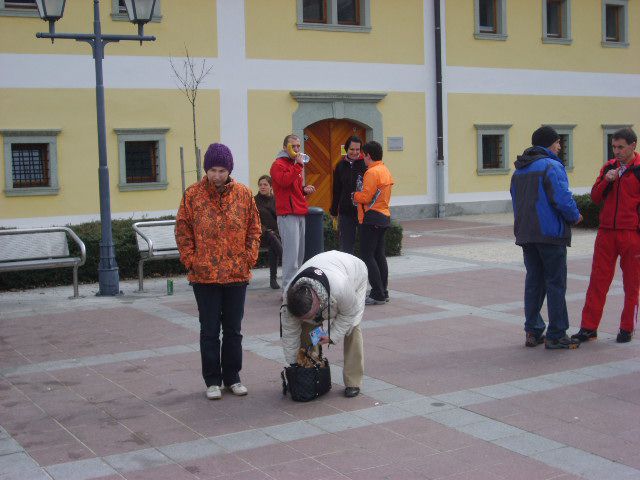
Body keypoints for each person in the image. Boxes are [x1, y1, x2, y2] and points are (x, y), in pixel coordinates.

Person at [175, 143, 261, 400]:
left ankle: (233, 377)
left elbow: (254, 229)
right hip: (205, 276)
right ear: (206, 169)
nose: (217, 175)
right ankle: (212, 380)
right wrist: (191, 260)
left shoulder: (244, 194)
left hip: (237, 274)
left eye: (222, 170)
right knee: (209, 330)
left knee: (233, 330)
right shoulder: (193, 195)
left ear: (229, 170)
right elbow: (182, 230)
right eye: (212, 169)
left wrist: (249, 258)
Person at [510, 126, 583, 350]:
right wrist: (575, 216)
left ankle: (533, 331)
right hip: (550, 234)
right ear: (549, 144)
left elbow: (515, 201)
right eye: (558, 143)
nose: (560, 147)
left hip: (526, 234)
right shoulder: (551, 166)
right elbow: (562, 198)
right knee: (555, 283)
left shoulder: (519, 170)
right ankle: (557, 333)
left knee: (534, 282)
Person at [572, 127, 640, 344]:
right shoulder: (608, 168)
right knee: (597, 281)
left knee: (632, 284)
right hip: (606, 233)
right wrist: (606, 181)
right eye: (614, 147)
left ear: (633, 146)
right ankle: (588, 327)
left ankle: (626, 328)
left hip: (632, 234)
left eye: (621, 147)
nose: (617, 151)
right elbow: (595, 197)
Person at [281, 250, 367, 398]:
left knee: (352, 329)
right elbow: (289, 333)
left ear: (317, 302)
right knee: (307, 329)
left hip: (354, 275)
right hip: (327, 274)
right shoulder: (288, 299)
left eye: (312, 314)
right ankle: (313, 371)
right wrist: (294, 366)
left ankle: (353, 381)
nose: (313, 318)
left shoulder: (341, 287)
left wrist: (332, 336)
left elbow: (348, 314)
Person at [270, 134, 316, 290]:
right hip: (287, 214)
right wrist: (298, 166)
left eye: (298, 146)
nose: (297, 149)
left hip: (299, 210)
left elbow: (292, 189)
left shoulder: (294, 164)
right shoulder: (278, 164)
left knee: (299, 254)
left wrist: (304, 190)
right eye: (293, 146)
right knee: (291, 255)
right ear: (285, 147)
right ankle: (288, 289)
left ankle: (296, 286)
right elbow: (283, 181)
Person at [353, 140, 394, 306]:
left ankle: (377, 293)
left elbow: (366, 197)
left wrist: (355, 195)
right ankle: (383, 291)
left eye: (363, 155)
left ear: (368, 156)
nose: (362, 158)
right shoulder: (384, 170)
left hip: (371, 217)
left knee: (367, 255)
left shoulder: (371, 172)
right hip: (383, 215)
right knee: (379, 255)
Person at [330, 135, 367, 254]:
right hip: (346, 211)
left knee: (365, 246)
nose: (355, 152)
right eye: (352, 149)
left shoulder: (365, 165)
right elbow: (336, 190)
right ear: (346, 149)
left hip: (363, 211)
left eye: (357, 149)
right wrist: (334, 211)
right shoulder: (340, 166)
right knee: (346, 247)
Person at [255, 175, 282, 290]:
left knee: (273, 242)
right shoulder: (254, 201)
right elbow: (253, 221)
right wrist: (266, 231)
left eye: (265, 184)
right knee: (271, 237)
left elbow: (281, 219)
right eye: (260, 185)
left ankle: (273, 279)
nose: (262, 187)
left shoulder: (277, 200)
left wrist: (275, 232)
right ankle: (284, 259)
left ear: (271, 186)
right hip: (259, 235)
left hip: (275, 235)